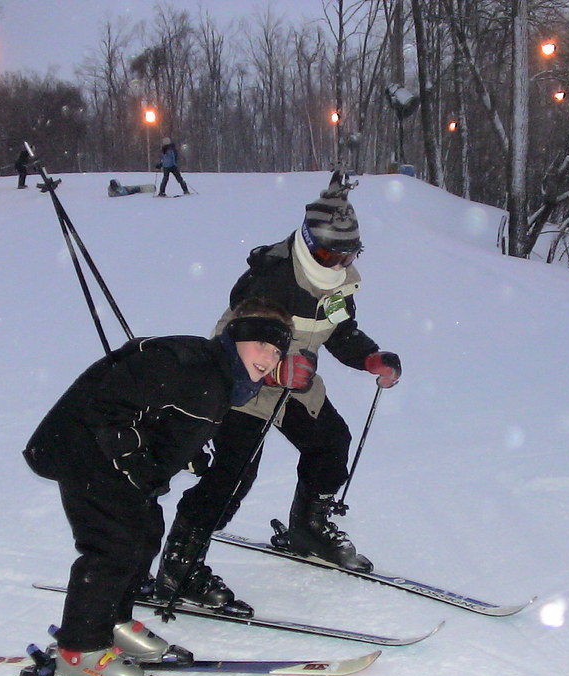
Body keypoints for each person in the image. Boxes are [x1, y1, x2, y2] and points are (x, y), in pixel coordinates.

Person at [155, 169, 402, 618]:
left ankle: (308, 528)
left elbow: (339, 330)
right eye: (328, 252)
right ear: (308, 242)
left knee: (331, 443)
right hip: (244, 381)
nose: (338, 263)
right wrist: (276, 370)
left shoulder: (339, 281)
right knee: (232, 473)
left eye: (349, 253)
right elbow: (237, 345)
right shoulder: (271, 279)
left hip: (297, 382)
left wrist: (369, 357)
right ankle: (180, 567)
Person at [23, 298, 295, 676]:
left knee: (146, 531)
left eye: (275, 351)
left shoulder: (223, 379)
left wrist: (184, 456)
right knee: (112, 545)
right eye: (261, 346)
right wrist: (134, 459)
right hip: (83, 451)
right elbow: (109, 404)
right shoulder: (188, 365)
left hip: (112, 461)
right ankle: (79, 651)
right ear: (234, 337)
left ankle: (112, 623)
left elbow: (169, 417)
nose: (268, 358)